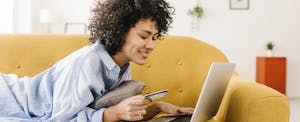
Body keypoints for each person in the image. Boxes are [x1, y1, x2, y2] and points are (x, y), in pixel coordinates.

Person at [0, 0, 194, 121]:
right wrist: (112, 114)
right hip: (8, 97)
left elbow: (116, 114)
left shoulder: (121, 66)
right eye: (144, 36)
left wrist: (158, 108)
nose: (151, 45)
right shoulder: (88, 63)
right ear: (120, 31)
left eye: (154, 38)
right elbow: (60, 120)